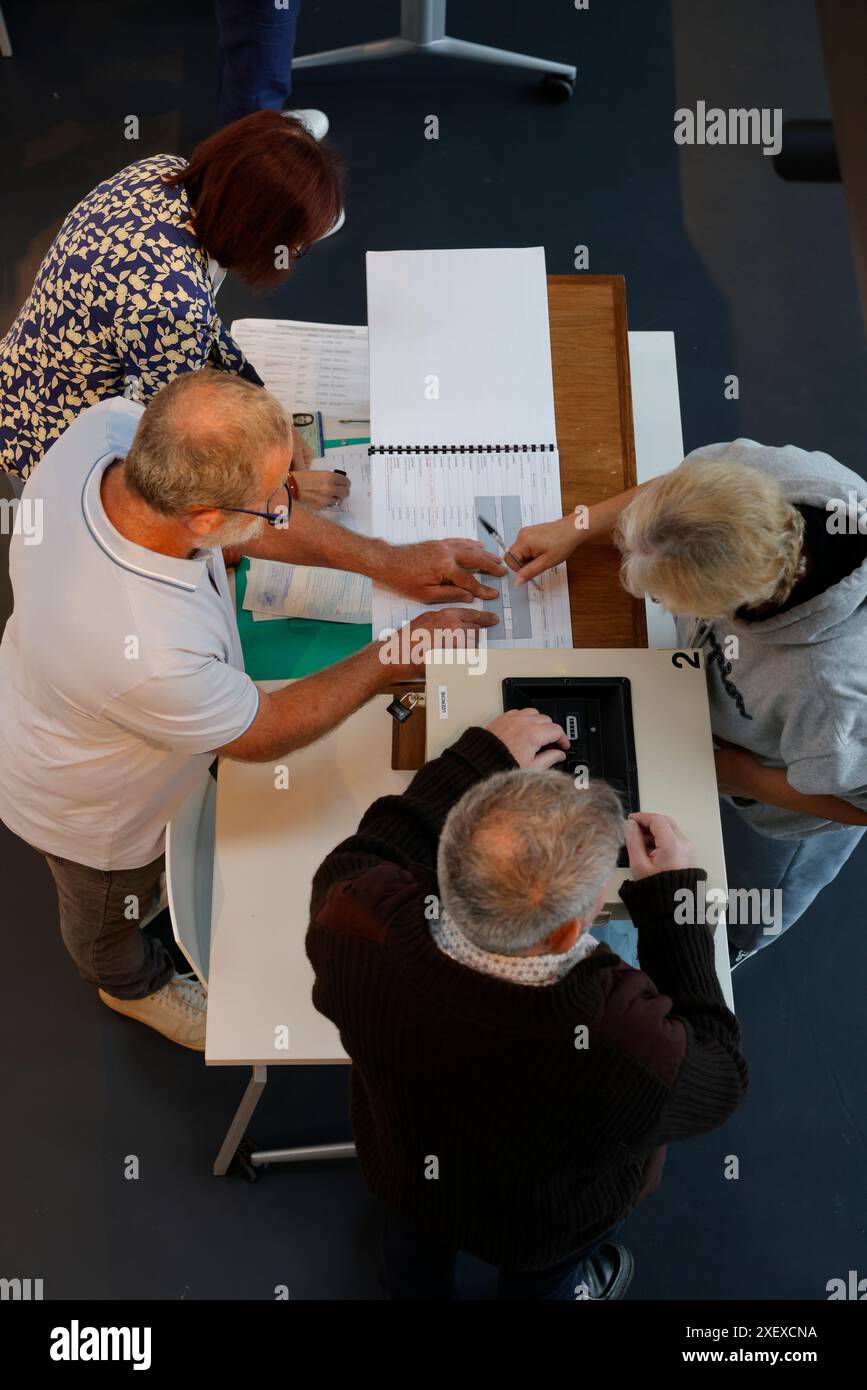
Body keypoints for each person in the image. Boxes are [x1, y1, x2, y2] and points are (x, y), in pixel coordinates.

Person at [0, 370, 502, 1050]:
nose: (284, 509)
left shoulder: (109, 433)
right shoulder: (146, 653)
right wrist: (398, 651)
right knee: (105, 914)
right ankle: (128, 986)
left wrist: (384, 560)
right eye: (273, 500)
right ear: (203, 517)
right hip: (88, 805)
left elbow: (242, 529)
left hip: (83, 707)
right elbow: (262, 731)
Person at [307, 706, 748, 1300]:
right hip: (545, 1226)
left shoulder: (354, 921)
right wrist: (676, 911)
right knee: (544, 1283)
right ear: (572, 931)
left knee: (412, 1255)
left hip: (410, 1176)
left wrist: (477, 760)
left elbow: (365, 852)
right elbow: (719, 1076)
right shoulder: (629, 1041)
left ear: (445, 863)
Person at [508, 439, 867, 963]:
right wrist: (577, 528)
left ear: (736, 606)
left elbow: (858, 803)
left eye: (664, 597)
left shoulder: (834, 695)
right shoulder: (766, 479)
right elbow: (674, 497)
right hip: (713, 728)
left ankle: (737, 947)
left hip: (785, 796)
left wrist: (735, 774)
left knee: (755, 893)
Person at [0, 110, 345, 507]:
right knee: (61, 551)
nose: (292, 256)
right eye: (296, 247)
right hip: (53, 449)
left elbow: (203, 328)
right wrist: (283, 490)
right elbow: (169, 455)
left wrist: (270, 416)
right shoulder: (171, 308)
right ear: (258, 232)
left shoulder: (161, 171)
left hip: (23, 378)